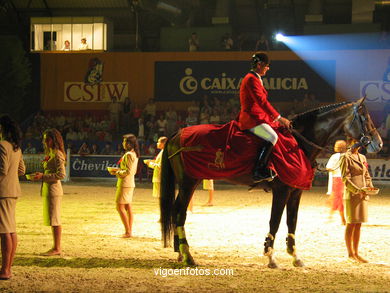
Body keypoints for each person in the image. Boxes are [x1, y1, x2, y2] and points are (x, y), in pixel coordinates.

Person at [237, 52, 291, 182]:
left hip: (258, 117)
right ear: (259, 64)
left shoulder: (256, 78)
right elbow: (261, 102)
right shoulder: (251, 79)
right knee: (272, 137)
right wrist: (279, 117)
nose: (268, 68)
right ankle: (258, 170)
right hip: (251, 120)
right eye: (267, 65)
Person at [31, 128, 66, 256]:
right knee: (53, 219)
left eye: (48, 139)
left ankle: (57, 247)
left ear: (54, 140)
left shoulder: (57, 154)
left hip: (54, 190)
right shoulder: (51, 153)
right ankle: (56, 246)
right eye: (44, 139)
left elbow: (61, 175)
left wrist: (43, 176)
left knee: (55, 219)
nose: (45, 141)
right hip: (49, 189)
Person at [340, 138, 374, 263]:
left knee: (359, 223)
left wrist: (370, 185)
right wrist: (356, 190)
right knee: (351, 223)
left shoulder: (363, 157)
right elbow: (345, 178)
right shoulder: (345, 157)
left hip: (363, 193)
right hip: (353, 194)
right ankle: (350, 253)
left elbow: (366, 174)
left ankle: (356, 252)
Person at [0, 114, 25, 280]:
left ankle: (5, 270)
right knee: (11, 230)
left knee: (4, 231)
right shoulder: (16, 147)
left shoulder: (2, 145)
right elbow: (21, 170)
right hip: (13, 191)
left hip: (3, 192)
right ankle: (8, 267)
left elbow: (1, 170)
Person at [108, 134, 139, 238]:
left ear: (129, 143)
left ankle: (128, 231)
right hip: (129, 183)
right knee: (127, 207)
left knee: (119, 207)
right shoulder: (134, 154)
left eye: (124, 141)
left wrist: (116, 172)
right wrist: (118, 171)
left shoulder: (129, 154)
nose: (123, 143)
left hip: (125, 183)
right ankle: (129, 230)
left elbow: (127, 171)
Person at [326, 140, 347, 225]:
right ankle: (331, 215)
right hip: (345, 179)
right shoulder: (347, 156)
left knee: (337, 198)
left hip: (337, 178)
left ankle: (343, 219)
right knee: (336, 197)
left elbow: (328, 167)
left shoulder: (334, 156)